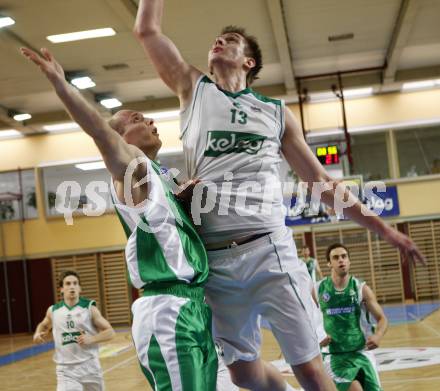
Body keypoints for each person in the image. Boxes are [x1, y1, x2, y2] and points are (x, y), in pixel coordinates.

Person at [134, 2, 424, 390]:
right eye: (217, 40)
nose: (219, 41)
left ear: (248, 62)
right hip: (216, 262)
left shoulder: (274, 112)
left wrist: (385, 230)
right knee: (243, 374)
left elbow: (322, 183)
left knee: (309, 368)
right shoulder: (194, 88)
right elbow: (147, 31)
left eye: (231, 40)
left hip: (268, 251)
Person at [21, 47, 219, 391]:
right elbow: (99, 131)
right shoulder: (133, 169)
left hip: (194, 305)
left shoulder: (160, 179)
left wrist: (183, 204)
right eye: (139, 119)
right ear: (122, 137)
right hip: (167, 308)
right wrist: (61, 85)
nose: (152, 121)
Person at [317, 244, 388, 391]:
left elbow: (382, 318)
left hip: (361, 352)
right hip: (334, 356)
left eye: (344, 256)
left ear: (349, 261)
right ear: (329, 263)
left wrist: (378, 335)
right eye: (336, 258)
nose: (341, 260)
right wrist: (318, 336)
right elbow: (305, 320)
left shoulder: (361, 289)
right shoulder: (318, 289)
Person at [33, 270, 115, 391]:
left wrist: (92, 338)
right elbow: (43, 324)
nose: (72, 286)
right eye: (68, 283)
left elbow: (110, 332)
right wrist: (37, 334)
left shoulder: (89, 308)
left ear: (80, 288)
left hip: (90, 366)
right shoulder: (53, 311)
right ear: (61, 289)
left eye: (75, 283)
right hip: (66, 370)